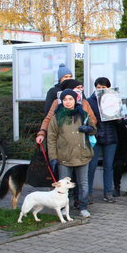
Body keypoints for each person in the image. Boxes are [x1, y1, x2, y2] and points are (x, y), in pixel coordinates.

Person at [47, 89, 95, 217]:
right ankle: (63, 207)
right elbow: (51, 138)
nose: (68, 102)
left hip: (82, 155)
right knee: (62, 185)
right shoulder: (57, 117)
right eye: (65, 100)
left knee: (83, 183)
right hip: (64, 156)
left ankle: (83, 207)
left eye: (70, 99)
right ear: (61, 101)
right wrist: (53, 157)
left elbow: (94, 129)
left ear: (75, 100)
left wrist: (89, 129)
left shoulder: (83, 114)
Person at [86, 77, 119, 204]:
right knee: (91, 166)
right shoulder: (89, 101)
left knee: (109, 166)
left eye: (103, 88)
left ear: (108, 88)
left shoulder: (114, 100)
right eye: (98, 87)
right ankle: (88, 194)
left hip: (110, 137)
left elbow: (119, 119)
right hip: (95, 137)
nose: (100, 90)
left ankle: (108, 193)